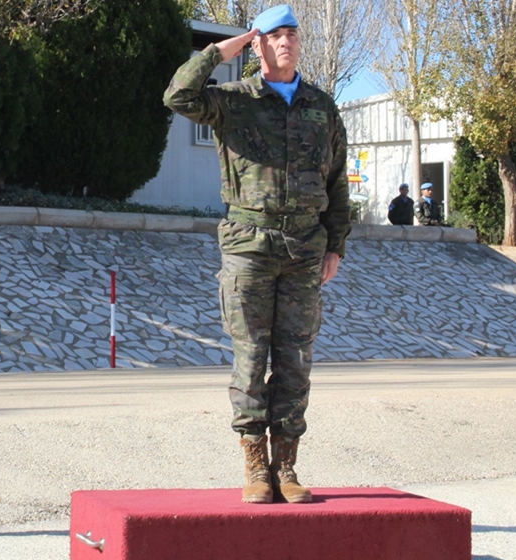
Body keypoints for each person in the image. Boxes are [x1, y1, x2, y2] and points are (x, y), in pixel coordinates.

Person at [164, 4, 350, 505]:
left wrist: (336, 245)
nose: (286, 41)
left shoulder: (322, 106)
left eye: (292, 33)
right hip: (249, 245)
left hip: (305, 250)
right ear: (258, 44)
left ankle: (285, 466)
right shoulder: (232, 100)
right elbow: (177, 95)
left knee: (295, 360)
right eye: (275, 35)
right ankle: (254, 466)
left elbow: (336, 182)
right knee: (250, 357)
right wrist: (220, 50)